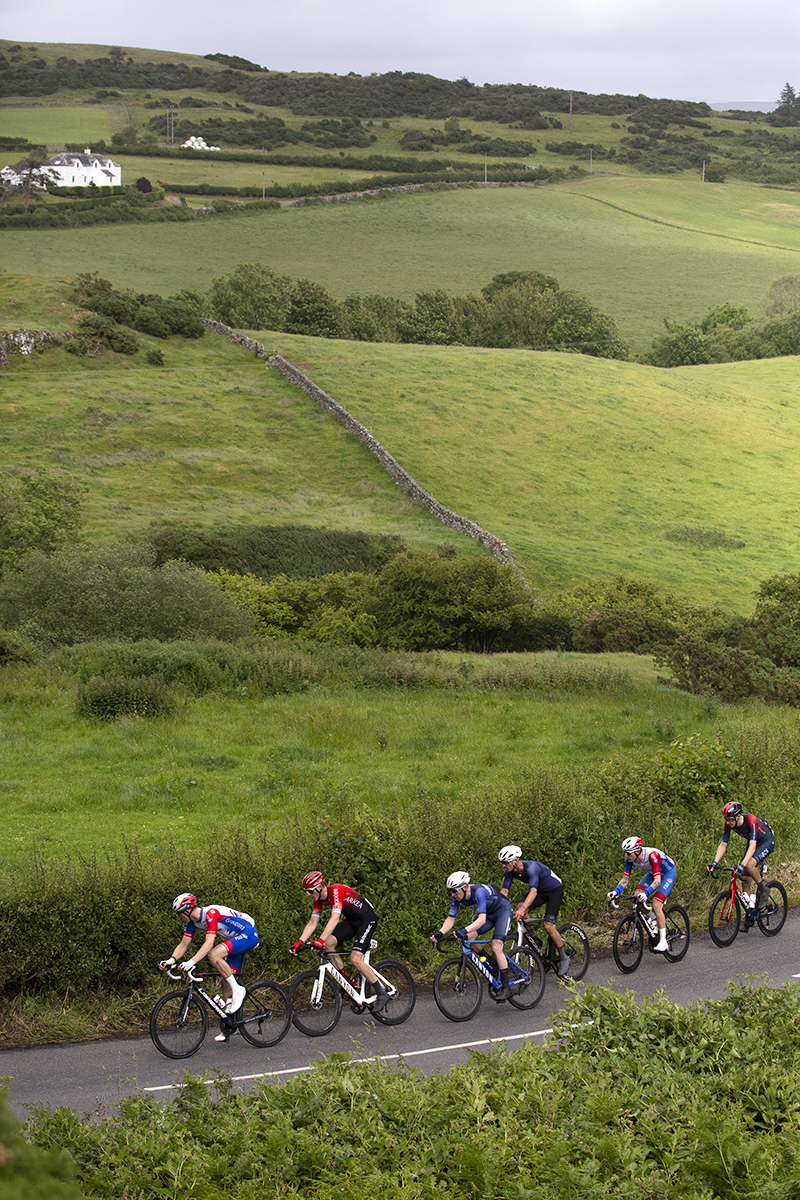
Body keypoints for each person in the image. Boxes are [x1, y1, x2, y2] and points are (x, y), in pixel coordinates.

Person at [159, 893, 259, 1039]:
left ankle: (238, 990)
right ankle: (230, 1025)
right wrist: (171, 960)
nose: (178, 917)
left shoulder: (210, 913)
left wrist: (191, 962)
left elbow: (209, 944)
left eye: (179, 914)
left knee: (213, 954)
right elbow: (184, 944)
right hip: (236, 938)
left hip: (248, 934)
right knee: (225, 980)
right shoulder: (192, 923)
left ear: (187, 911)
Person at [290, 872, 389, 1014]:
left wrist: (319, 940)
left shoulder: (336, 891)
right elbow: (313, 922)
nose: (308, 894)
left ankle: (382, 992)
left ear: (319, 887)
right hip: (352, 921)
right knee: (328, 944)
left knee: (355, 959)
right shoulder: (318, 899)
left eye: (310, 891)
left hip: (367, 919)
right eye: (306, 891)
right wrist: (299, 942)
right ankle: (348, 980)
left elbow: (335, 918)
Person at [430, 871, 515, 1000]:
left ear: (464, 887)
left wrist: (464, 930)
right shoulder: (456, 897)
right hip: (488, 915)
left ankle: (506, 987)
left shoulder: (479, 892)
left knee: (496, 946)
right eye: (451, 891)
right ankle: (492, 963)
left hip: (502, 911)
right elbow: (451, 919)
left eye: (455, 891)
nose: (453, 894)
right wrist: (440, 933)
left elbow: (481, 920)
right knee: (469, 938)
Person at [498, 844, 570, 977]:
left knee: (548, 926)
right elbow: (504, 892)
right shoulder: (509, 872)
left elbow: (533, 891)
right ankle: (534, 937)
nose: (503, 865)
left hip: (554, 890)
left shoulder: (531, 868)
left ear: (515, 861)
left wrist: (523, 909)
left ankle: (564, 956)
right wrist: (498, 907)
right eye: (502, 863)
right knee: (521, 906)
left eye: (505, 862)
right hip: (541, 891)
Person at [607, 837, 676, 953]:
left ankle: (663, 942)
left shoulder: (652, 856)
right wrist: (615, 891)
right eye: (625, 853)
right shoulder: (630, 859)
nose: (626, 856)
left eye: (628, 853)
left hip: (667, 874)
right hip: (653, 874)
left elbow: (657, 881)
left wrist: (646, 893)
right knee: (636, 898)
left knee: (656, 904)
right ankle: (654, 918)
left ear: (637, 851)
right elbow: (625, 879)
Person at [707, 801, 774, 919]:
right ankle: (750, 913)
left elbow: (753, 846)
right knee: (745, 881)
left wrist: (743, 865)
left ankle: (763, 891)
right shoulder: (728, 824)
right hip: (753, 842)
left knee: (748, 865)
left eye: (730, 819)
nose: (728, 822)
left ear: (738, 816)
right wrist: (715, 862)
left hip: (765, 841)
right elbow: (723, 844)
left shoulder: (751, 820)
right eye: (726, 819)